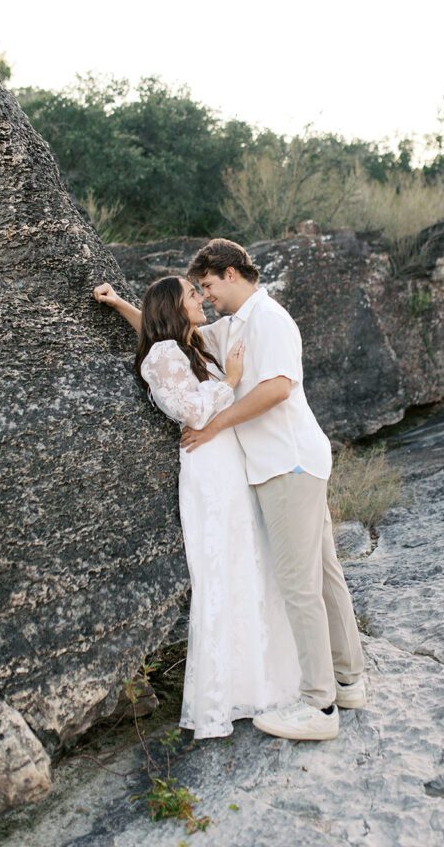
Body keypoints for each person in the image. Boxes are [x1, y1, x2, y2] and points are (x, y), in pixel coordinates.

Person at [93, 275, 301, 739]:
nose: (202, 298)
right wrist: (229, 379)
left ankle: (264, 683)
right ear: (174, 307)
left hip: (228, 461)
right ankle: (224, 697)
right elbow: (192, 412)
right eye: (193, 294)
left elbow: (152, 329)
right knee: (223, 572)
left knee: (251, 565)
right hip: (208, 469)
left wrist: (117, 303)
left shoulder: (189, 346)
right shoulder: (164, 354)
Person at [181, 238, 367, 741]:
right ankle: (349, 682)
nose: (207, 295)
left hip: (288, 464)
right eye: (200, 290)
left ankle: (318, 707)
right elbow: (172, 334)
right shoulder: (234, 327)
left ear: (231, 273)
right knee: (325, 576)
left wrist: (216, 424)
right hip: (290, 464)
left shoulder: (270, 320)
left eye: (208, 284)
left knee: (298, 584)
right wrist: (120, 306)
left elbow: (277, 387)